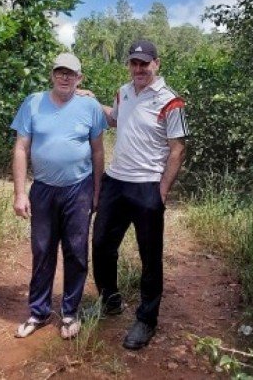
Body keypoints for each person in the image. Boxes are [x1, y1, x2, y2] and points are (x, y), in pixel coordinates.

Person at [91, 39, 189, 350]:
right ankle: (110, 301)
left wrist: (161, 191)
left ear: (156, 64)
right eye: (134, 63)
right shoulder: (123, 91)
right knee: (102, 244)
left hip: (147, 186)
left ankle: (146, 319)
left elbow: (178, 150)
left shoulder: (171, 101)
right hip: (115, 182)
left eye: (144, 63)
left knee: (150, 257)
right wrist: (93, 101)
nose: (139, 69)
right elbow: (117, 119)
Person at [11, 52, 107, 340]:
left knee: (76, 252)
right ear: (52, 74)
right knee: (42, 251)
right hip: (42, 189)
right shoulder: (33, 103)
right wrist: (19, 193)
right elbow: (20, 148)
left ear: (80, 78)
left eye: (71, 73)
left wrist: (97, 192)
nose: (65, 77)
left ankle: (69, 312)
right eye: (59, 72)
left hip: (79, 188)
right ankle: (38, 312)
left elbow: (98, 150)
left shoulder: (90, 106)